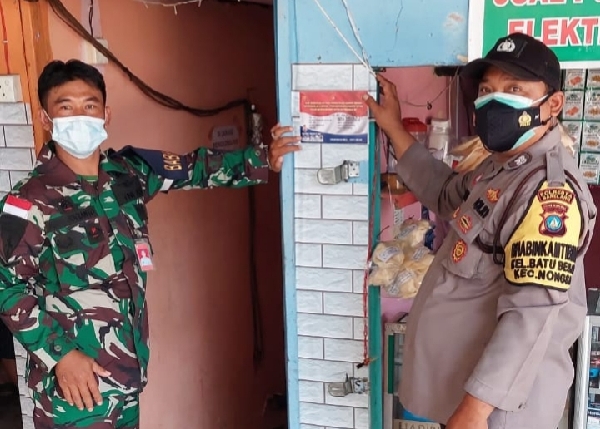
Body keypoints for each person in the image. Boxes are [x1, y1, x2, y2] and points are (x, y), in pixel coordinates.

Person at [0, 59, 300, 429]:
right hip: (73, 391)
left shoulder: (129, 173)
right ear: (46, 119)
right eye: (66, 107)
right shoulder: (28, 201)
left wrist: (264, 158)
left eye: (90, 105)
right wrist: (60, 356)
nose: (80, 116)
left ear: (106, 114)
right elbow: (7, 286)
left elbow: (194, 168)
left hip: (126, 375)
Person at [362, 33, 597, 429]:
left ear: (553, 104)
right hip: (467, 396)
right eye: (487, 90)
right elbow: (445, 193)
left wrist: (475, 411)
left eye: (514, 89)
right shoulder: (502, 166)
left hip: (496, 412)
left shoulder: (546, 192)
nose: (495, 100)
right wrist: (394, 128)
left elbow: (531, 312)